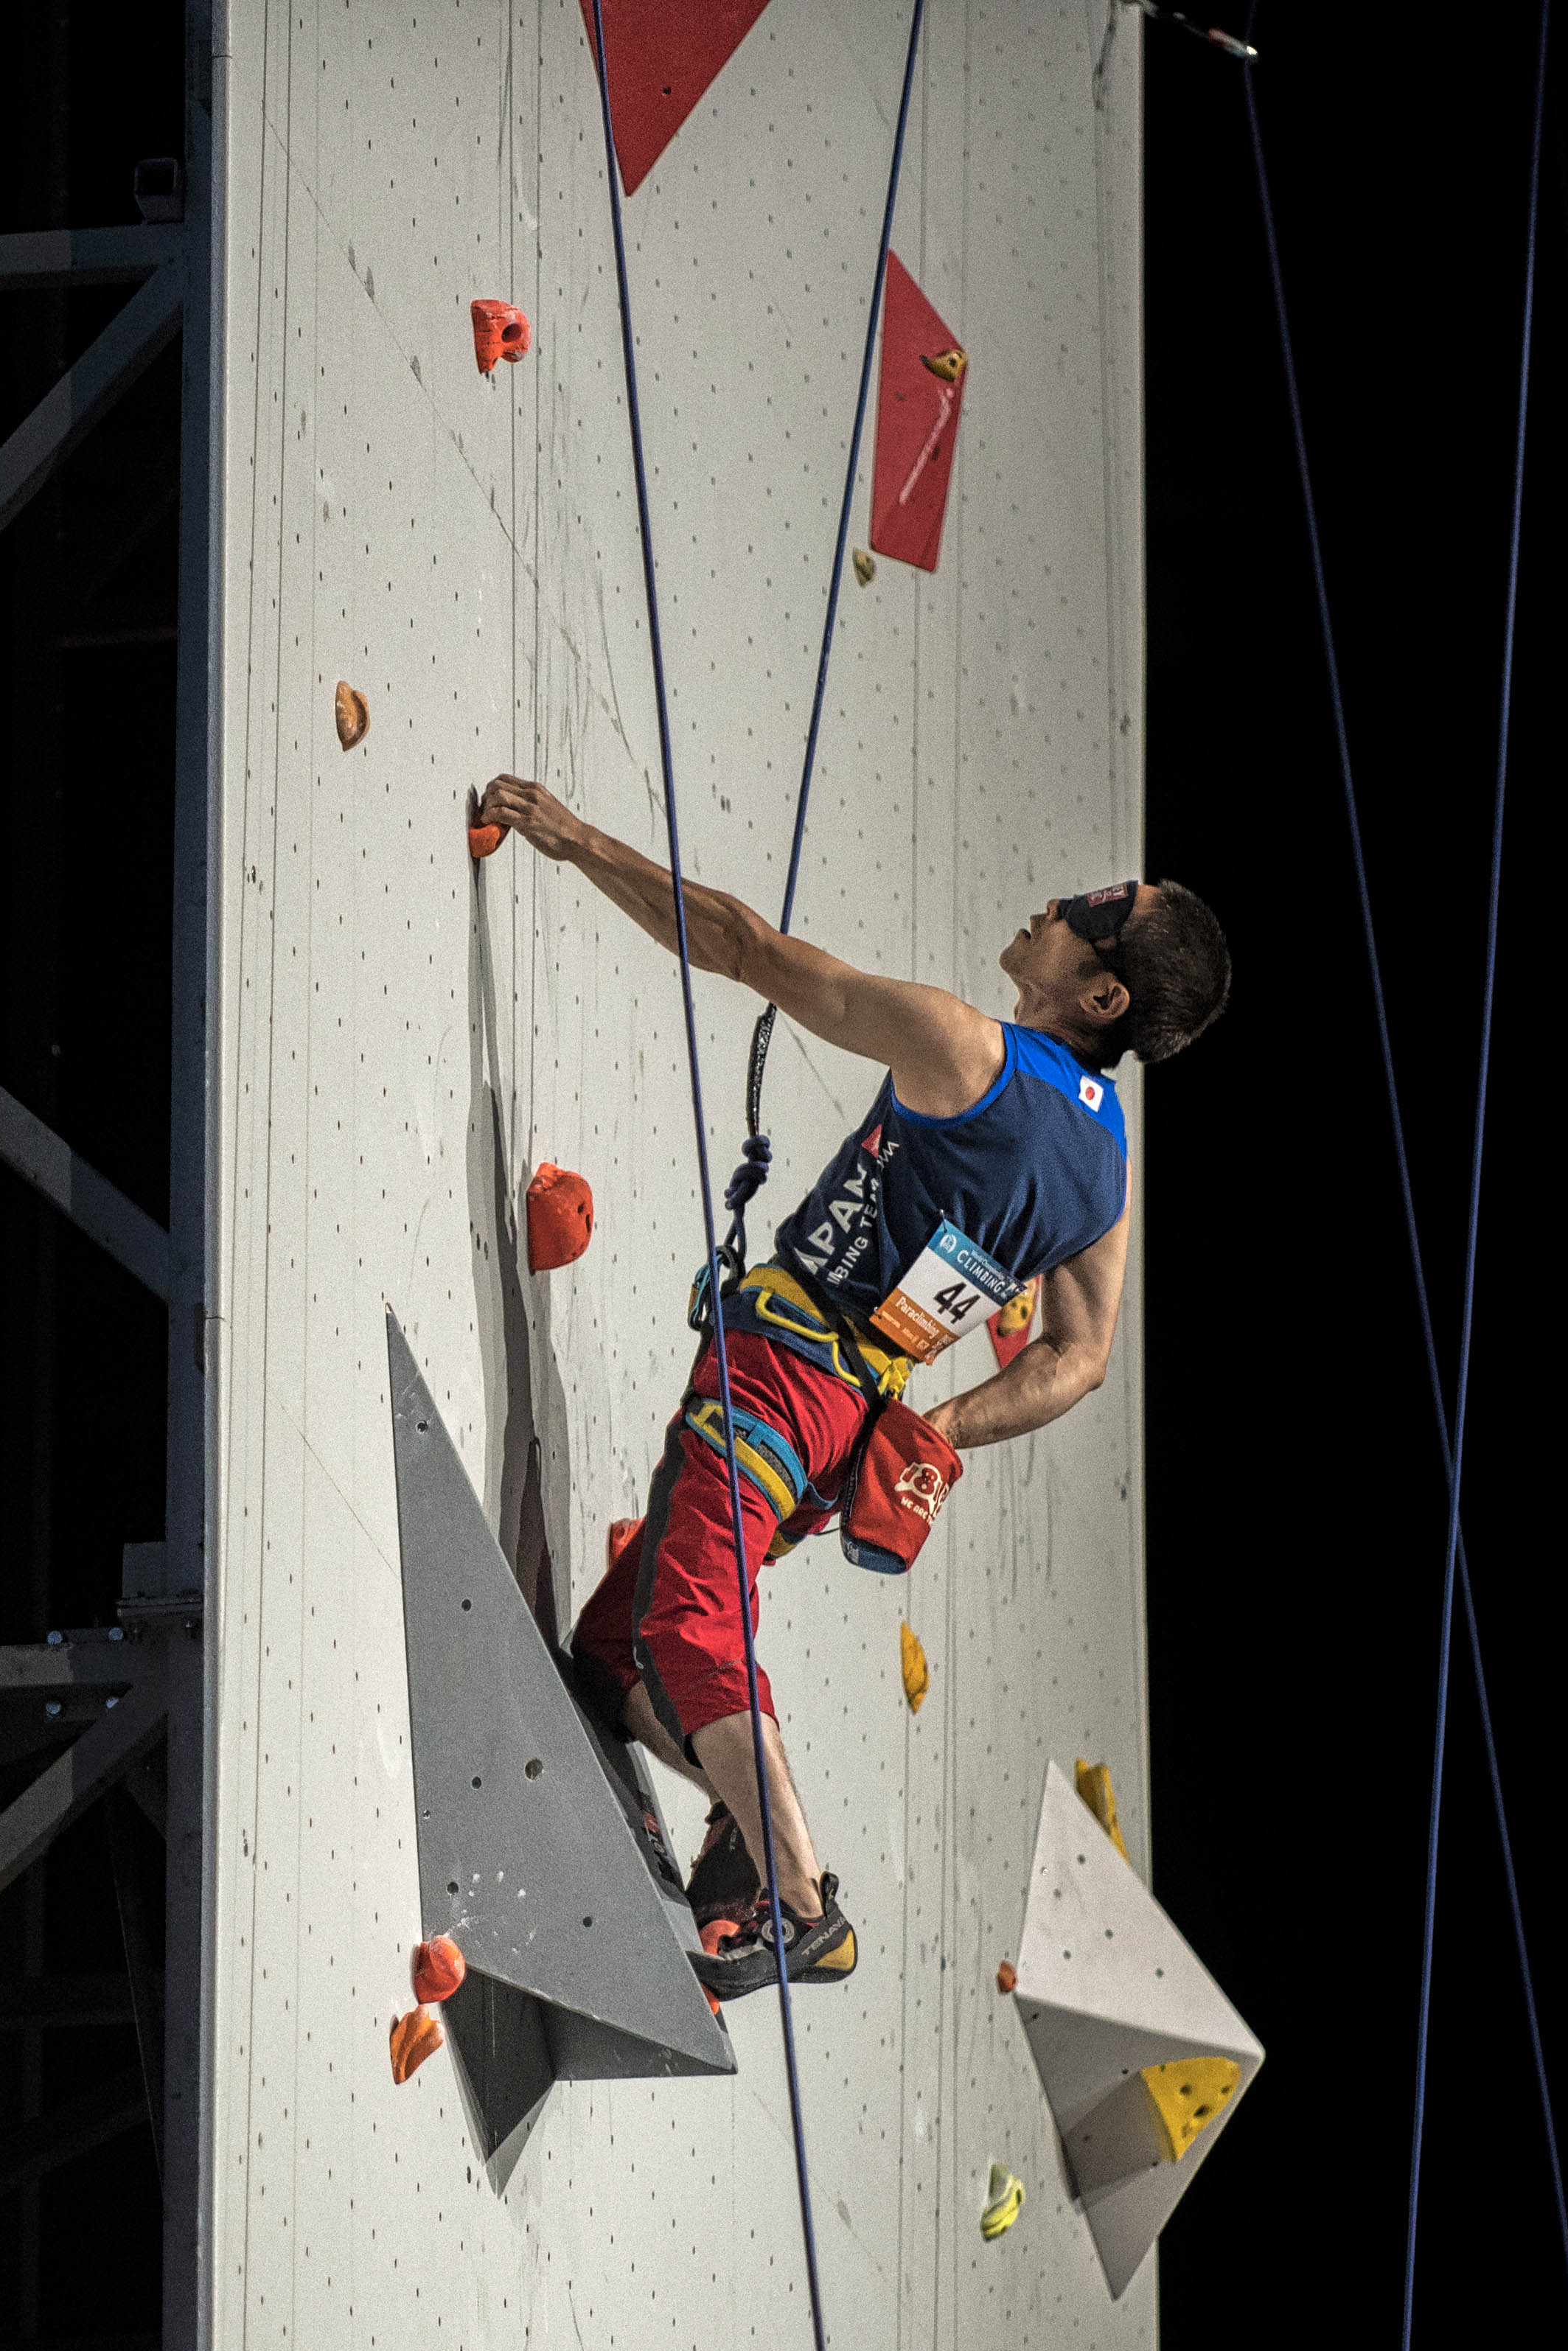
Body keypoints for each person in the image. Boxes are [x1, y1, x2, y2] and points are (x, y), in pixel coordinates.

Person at [473, 773, 1232, 1997]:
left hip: (787, 1376)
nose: (1053, 901)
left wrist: (573, 842)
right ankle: (748, 1821)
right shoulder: (1104, 1171)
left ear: (1102, 993)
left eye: (1086, 909)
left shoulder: (968, 1050)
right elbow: (1078, 1360)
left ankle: (800, 1900)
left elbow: (743, 948)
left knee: (686, 1627)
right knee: (615, 1648)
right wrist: (938, 1425)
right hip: (849, 1428)